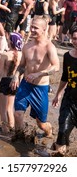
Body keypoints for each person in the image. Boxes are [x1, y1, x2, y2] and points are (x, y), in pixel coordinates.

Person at [11, 16, 60, 139]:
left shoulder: (49, 47)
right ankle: (20, 139)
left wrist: (39, 74)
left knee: (41, 123)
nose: (32, 30)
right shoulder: (27, 46)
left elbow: (56, 67)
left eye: (35, 28)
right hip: (25, 85)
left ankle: (49, 133)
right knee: (17, 114)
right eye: (31, 26)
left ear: (44, 29)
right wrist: (16, 76)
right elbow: (22, 66)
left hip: (40, 88)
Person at [52, 25, 77, 156]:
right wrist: (58, 94)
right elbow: (65, 77)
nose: (76, 42)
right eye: (74, 38)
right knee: (62, 131)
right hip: (69, 101)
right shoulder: (67, 56)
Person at [0, 32, 23, 134]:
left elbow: (0, 72)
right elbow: (22, 71)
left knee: (2, 110)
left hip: (5, 82)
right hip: (15, 82)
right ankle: (12, 129)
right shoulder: (21, 55)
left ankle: (5, 131)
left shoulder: (5, 55)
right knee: (10, 108)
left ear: (11, 42)